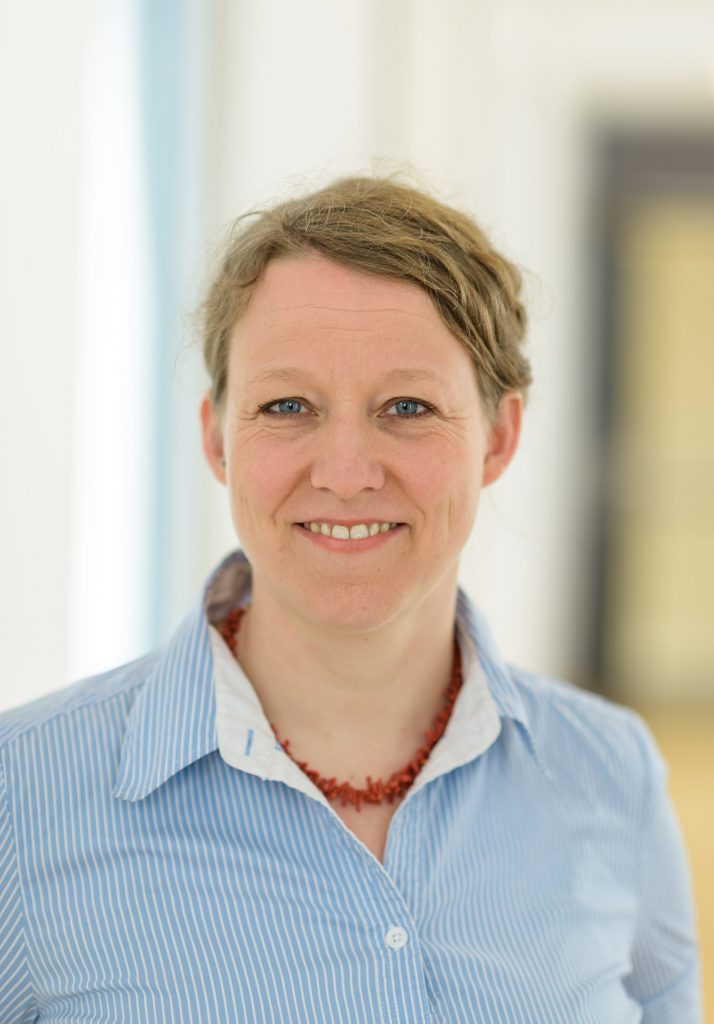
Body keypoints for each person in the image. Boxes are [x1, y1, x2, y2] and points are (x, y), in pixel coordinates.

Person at [0, 176, 702, 1023]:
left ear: (499, 437)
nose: (344, 473)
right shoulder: (20, 797)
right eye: (287, 406)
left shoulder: (613, 776)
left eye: (407, 407)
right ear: (217, 438)